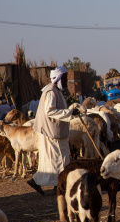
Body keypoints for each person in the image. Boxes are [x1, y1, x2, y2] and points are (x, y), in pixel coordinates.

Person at [27, 66, 80, 196]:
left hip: (55, 131)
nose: (67, 80)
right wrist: (69, 112)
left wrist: (71, 113)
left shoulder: (55, 91)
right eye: (65, 78)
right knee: (57, 160)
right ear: (58, 78)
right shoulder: (51, 92)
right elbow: (49, 111)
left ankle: (43, 182)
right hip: (51, 132)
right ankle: (57, 184)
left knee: (54, 160)